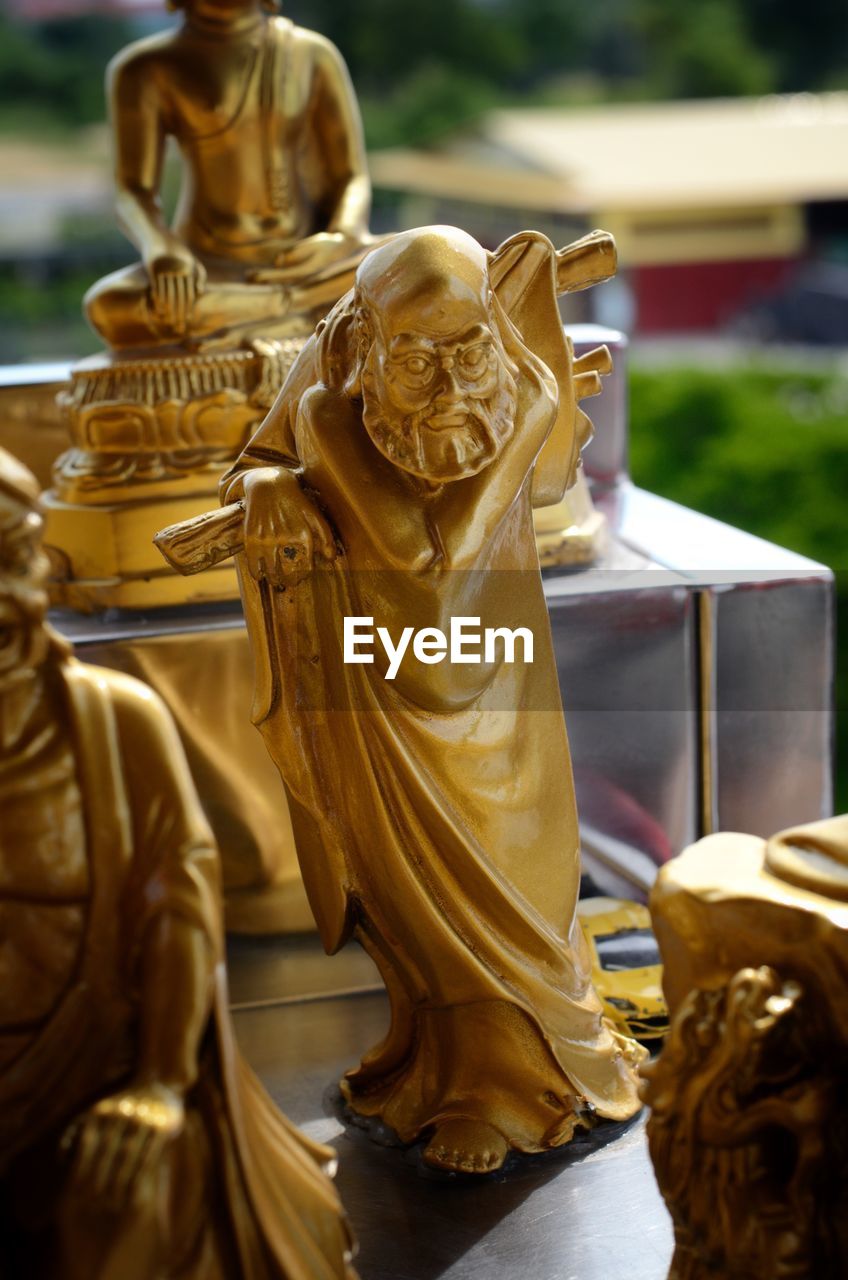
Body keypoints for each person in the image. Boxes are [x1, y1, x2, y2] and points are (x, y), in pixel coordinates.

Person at [221, 226, 644, 1175]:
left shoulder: (502, 383)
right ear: (362, 345)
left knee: (528, 881)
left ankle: (548, 1073)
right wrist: (267, 489)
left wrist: (529, 408)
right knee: (421, 905)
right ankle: (464, 1086)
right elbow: (429, 571)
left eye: (471, 351)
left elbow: (531, 502)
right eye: (416, 361)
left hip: (500, 672)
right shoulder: (335, 410)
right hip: (386, 690)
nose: (453, 387)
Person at [0, 447, 356, 1279]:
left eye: (13, 562)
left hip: (104, 1070)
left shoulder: (114, 723)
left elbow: (179, 903)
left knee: (121, 1205)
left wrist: (159, 1079)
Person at [84, 0, 373, 351]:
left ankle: (290, 307)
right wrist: (162, 250)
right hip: (209, 266)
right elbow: (133, 192)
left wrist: (343, 235)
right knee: (110, 307)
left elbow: (351, 177)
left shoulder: (311, 53)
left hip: (308, 258)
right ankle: (305, 309)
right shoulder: (145, 67)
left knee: (417, 252)